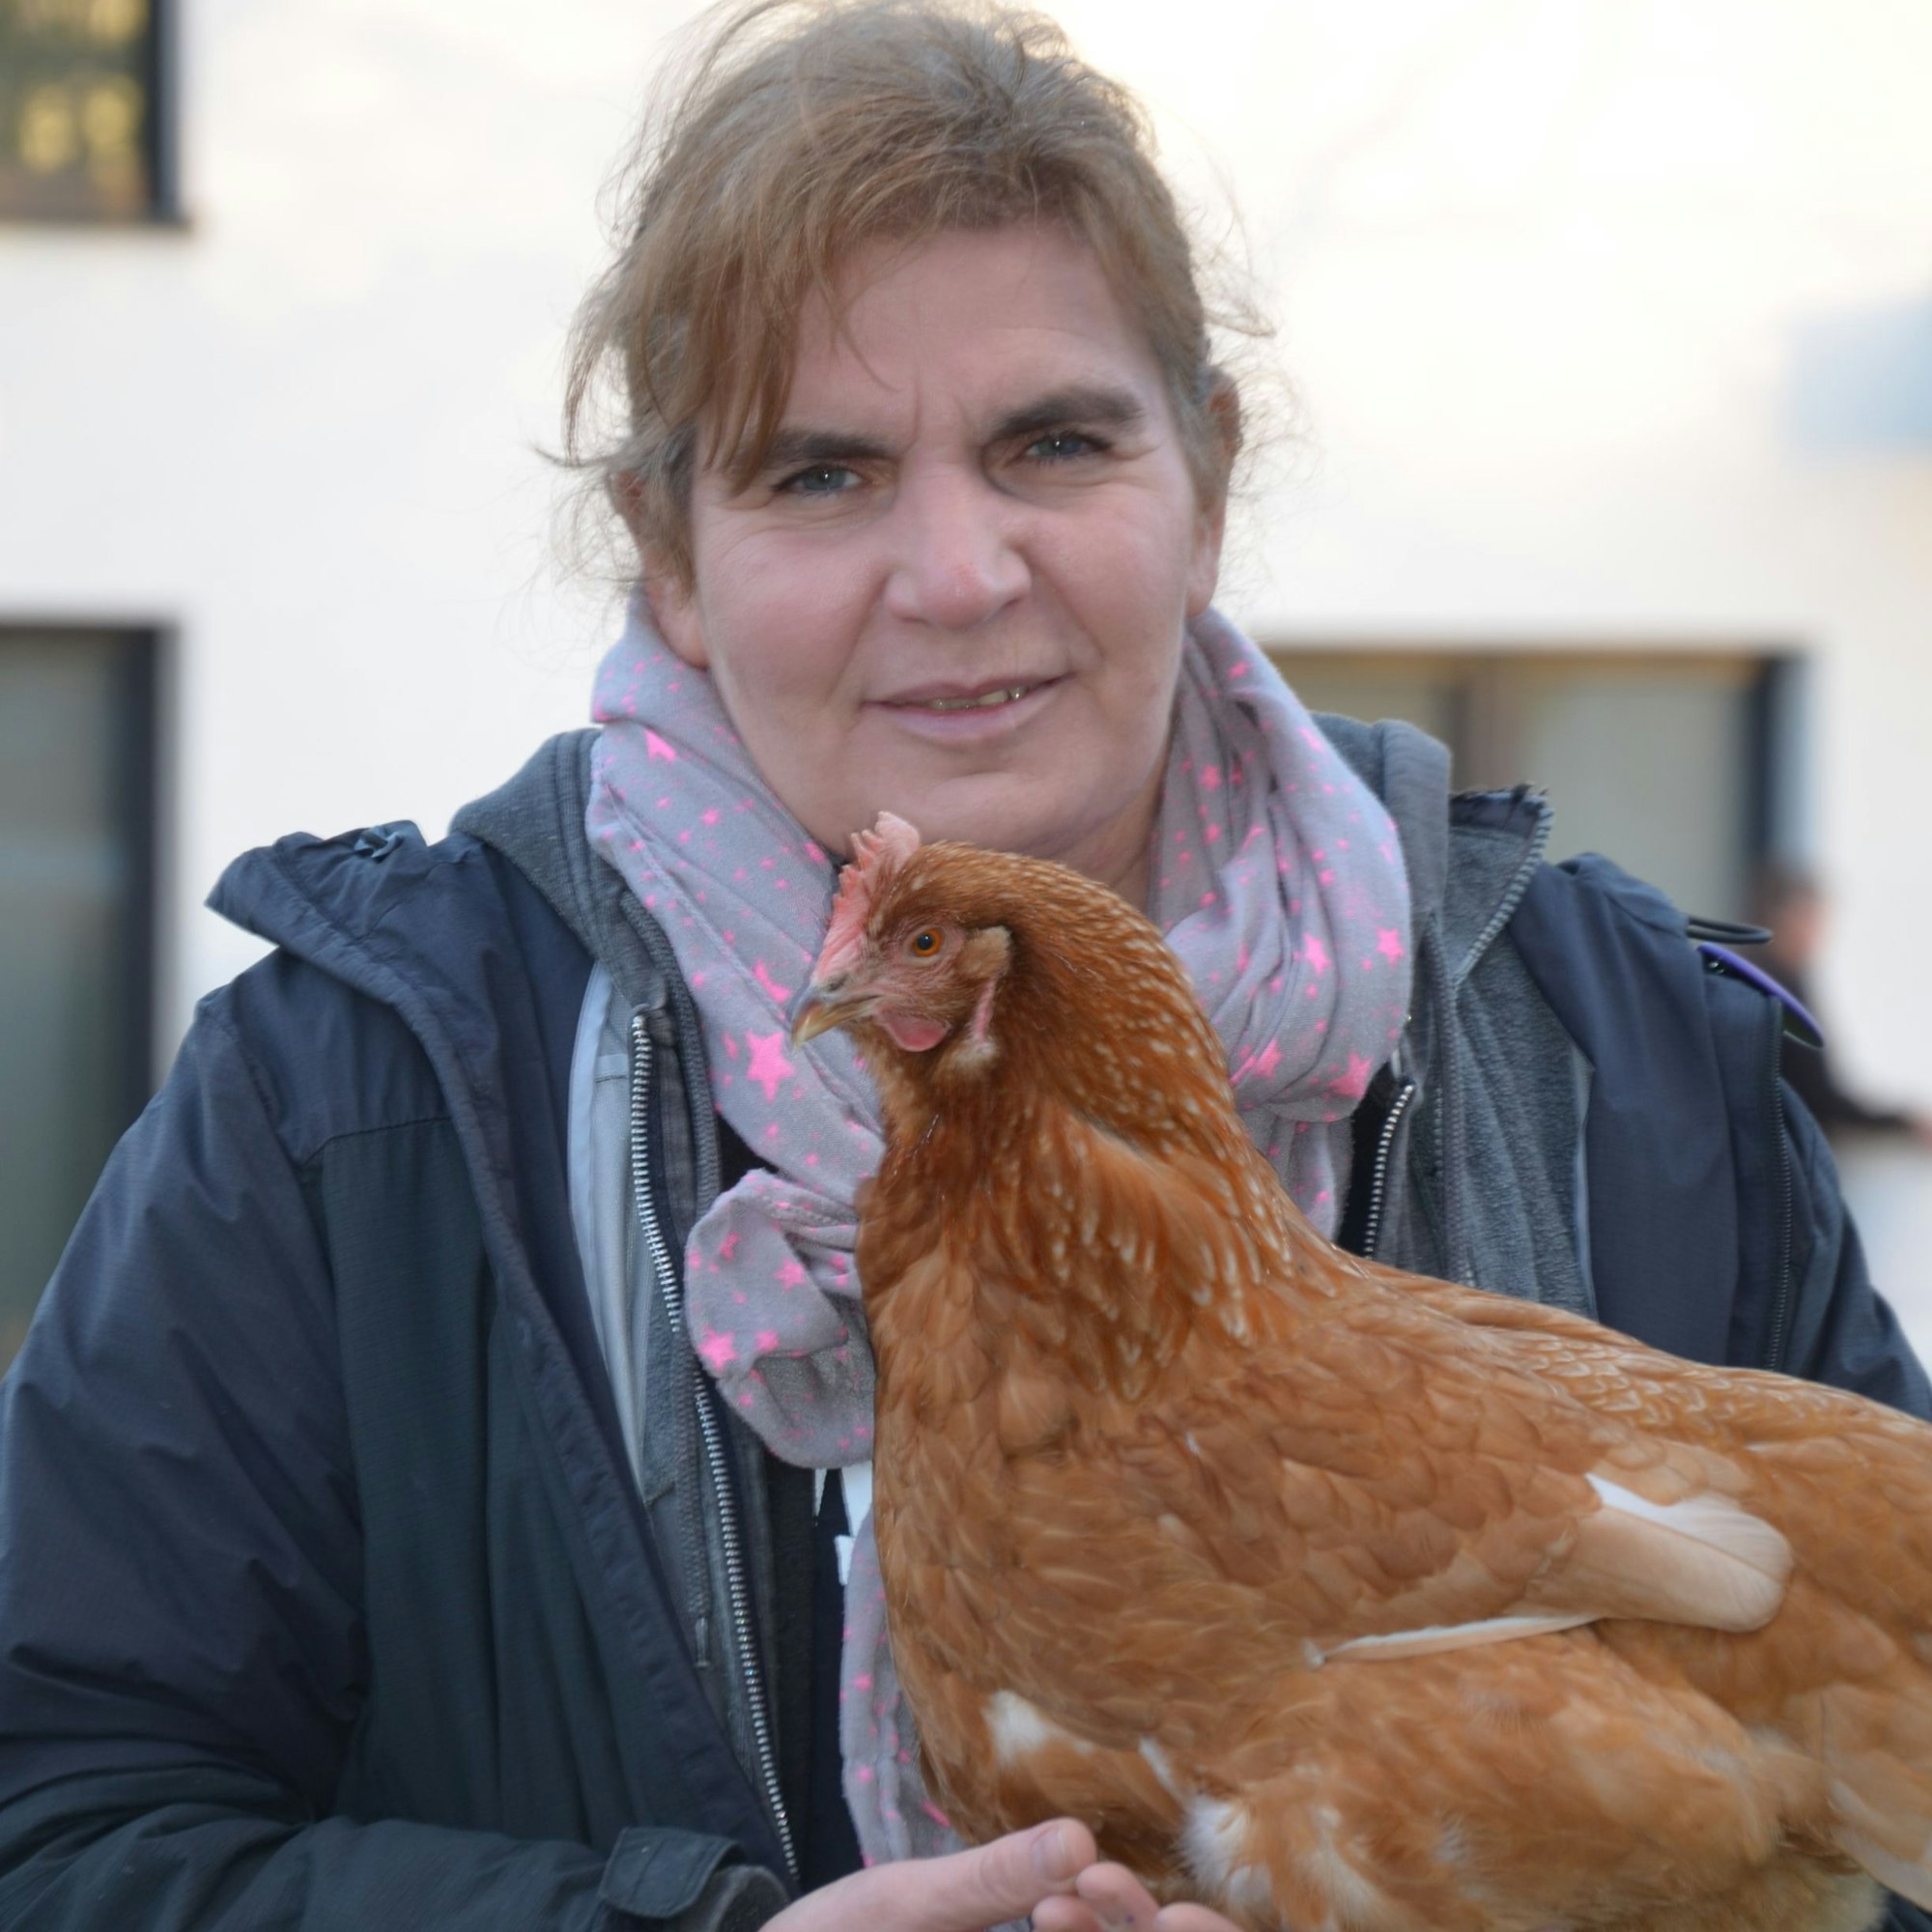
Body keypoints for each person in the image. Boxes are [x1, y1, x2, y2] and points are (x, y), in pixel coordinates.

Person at [0, 3, 1926, 1928]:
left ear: (1208, 484)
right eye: (819, 474)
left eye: (1054, 443)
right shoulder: (357, 1107)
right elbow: (59, 1835)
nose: (954, 574)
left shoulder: (1620, 1053)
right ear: (667, 554)